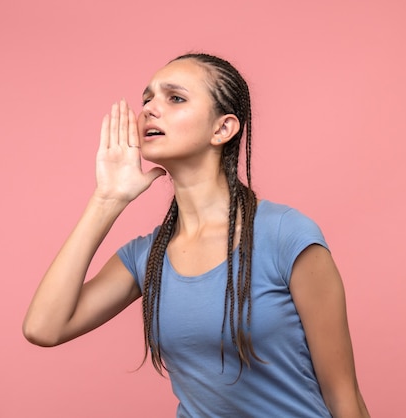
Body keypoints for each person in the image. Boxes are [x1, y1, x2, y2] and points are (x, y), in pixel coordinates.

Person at [23, 53, 370, 417]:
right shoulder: (148, 256)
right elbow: (44, 327)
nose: (150, 109)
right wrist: (107, 199)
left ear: (222, 129)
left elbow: (342, 395)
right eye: (147, 99)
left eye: (175, 98)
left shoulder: (286, 235)